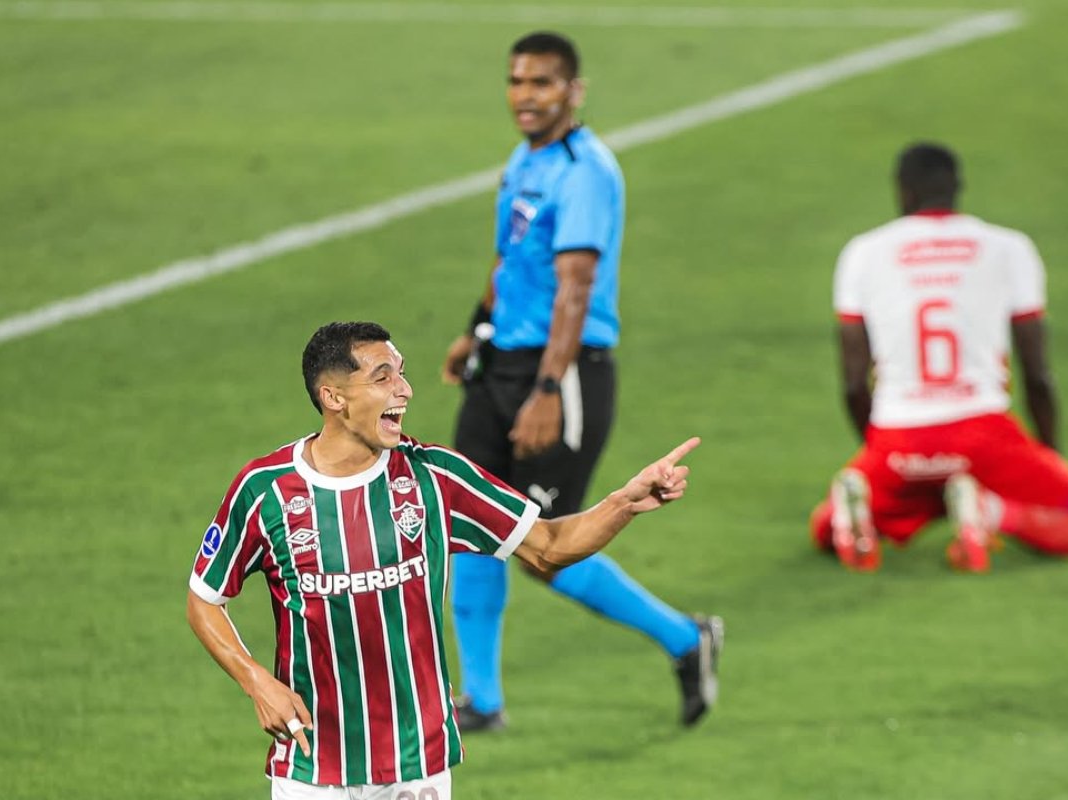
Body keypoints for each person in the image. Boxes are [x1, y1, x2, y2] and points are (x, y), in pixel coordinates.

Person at [187, 322, 700, 799]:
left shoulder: (434, 478)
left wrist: (623, 503)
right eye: (383, 377)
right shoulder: (266, 491)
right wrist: (256, 680)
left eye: (402, 373)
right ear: (334, 397)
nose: (404, 390)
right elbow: (205, 599)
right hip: (312, 765)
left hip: (417, 763)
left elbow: (548, 546)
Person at [440, 30, 722, 732]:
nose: (525, 96)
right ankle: (483, 699)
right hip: (499, 365)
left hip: (559, 376)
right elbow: (510, 259)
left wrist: (544, 389)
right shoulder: (525, 157)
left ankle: (687, 640)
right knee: (465, 523)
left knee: (547, 548)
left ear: (573, 90)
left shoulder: (586, 170)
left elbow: (574, 286)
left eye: (541, 83)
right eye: (516, 81)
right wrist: (476, 328)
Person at [809, 142, 1068, 573]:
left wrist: (878, 450)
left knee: (825, 526)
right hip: (983, 432)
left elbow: (854, 384)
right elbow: (1038, 375)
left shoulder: (863, 253)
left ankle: (854, 517)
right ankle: (988, 511)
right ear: (958, 188)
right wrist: (1050, 458)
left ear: (903, 192)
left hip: (899, 438)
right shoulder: (1009, 248)